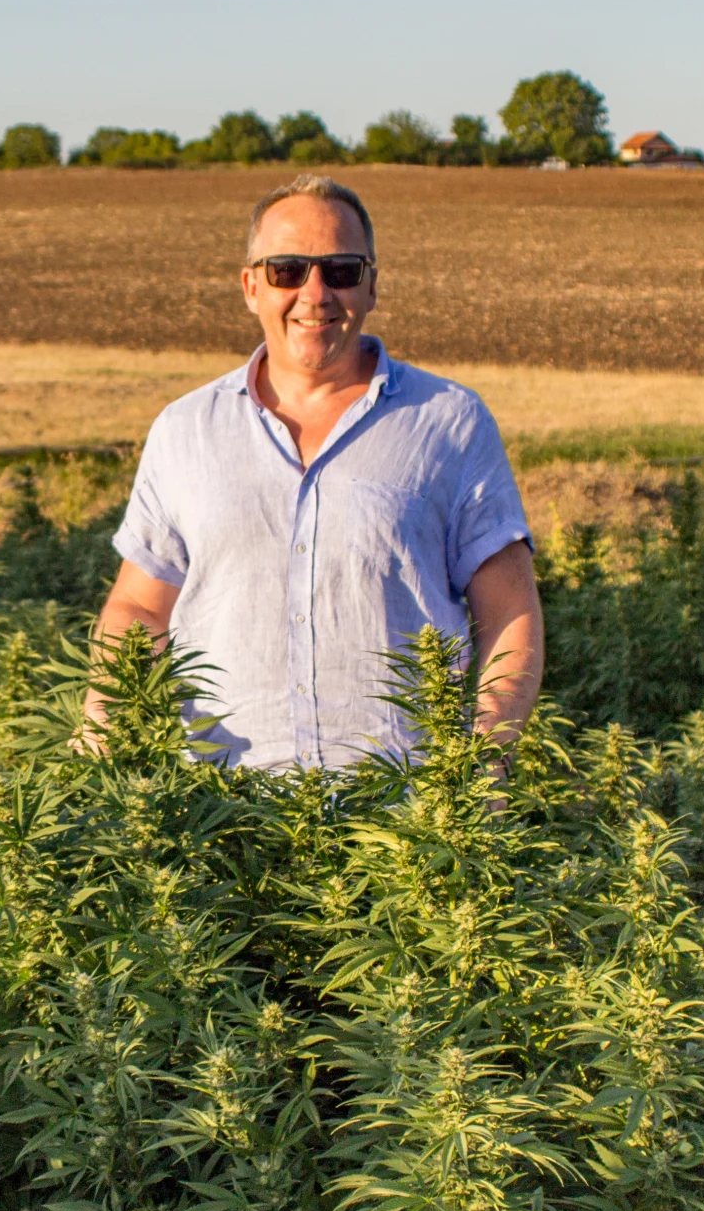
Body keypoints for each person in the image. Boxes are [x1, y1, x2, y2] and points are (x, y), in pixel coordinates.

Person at [91, 173, 543, 770]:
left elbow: (510, 613)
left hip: (402, 825)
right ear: (251, 286)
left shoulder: (449, 423)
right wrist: (101, 739)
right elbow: (140, 609)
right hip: (220, 817)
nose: (315, 293)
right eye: (287, 270)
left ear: (372, 286)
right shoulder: (185, 431)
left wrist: (483, 761)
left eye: (341, 271)